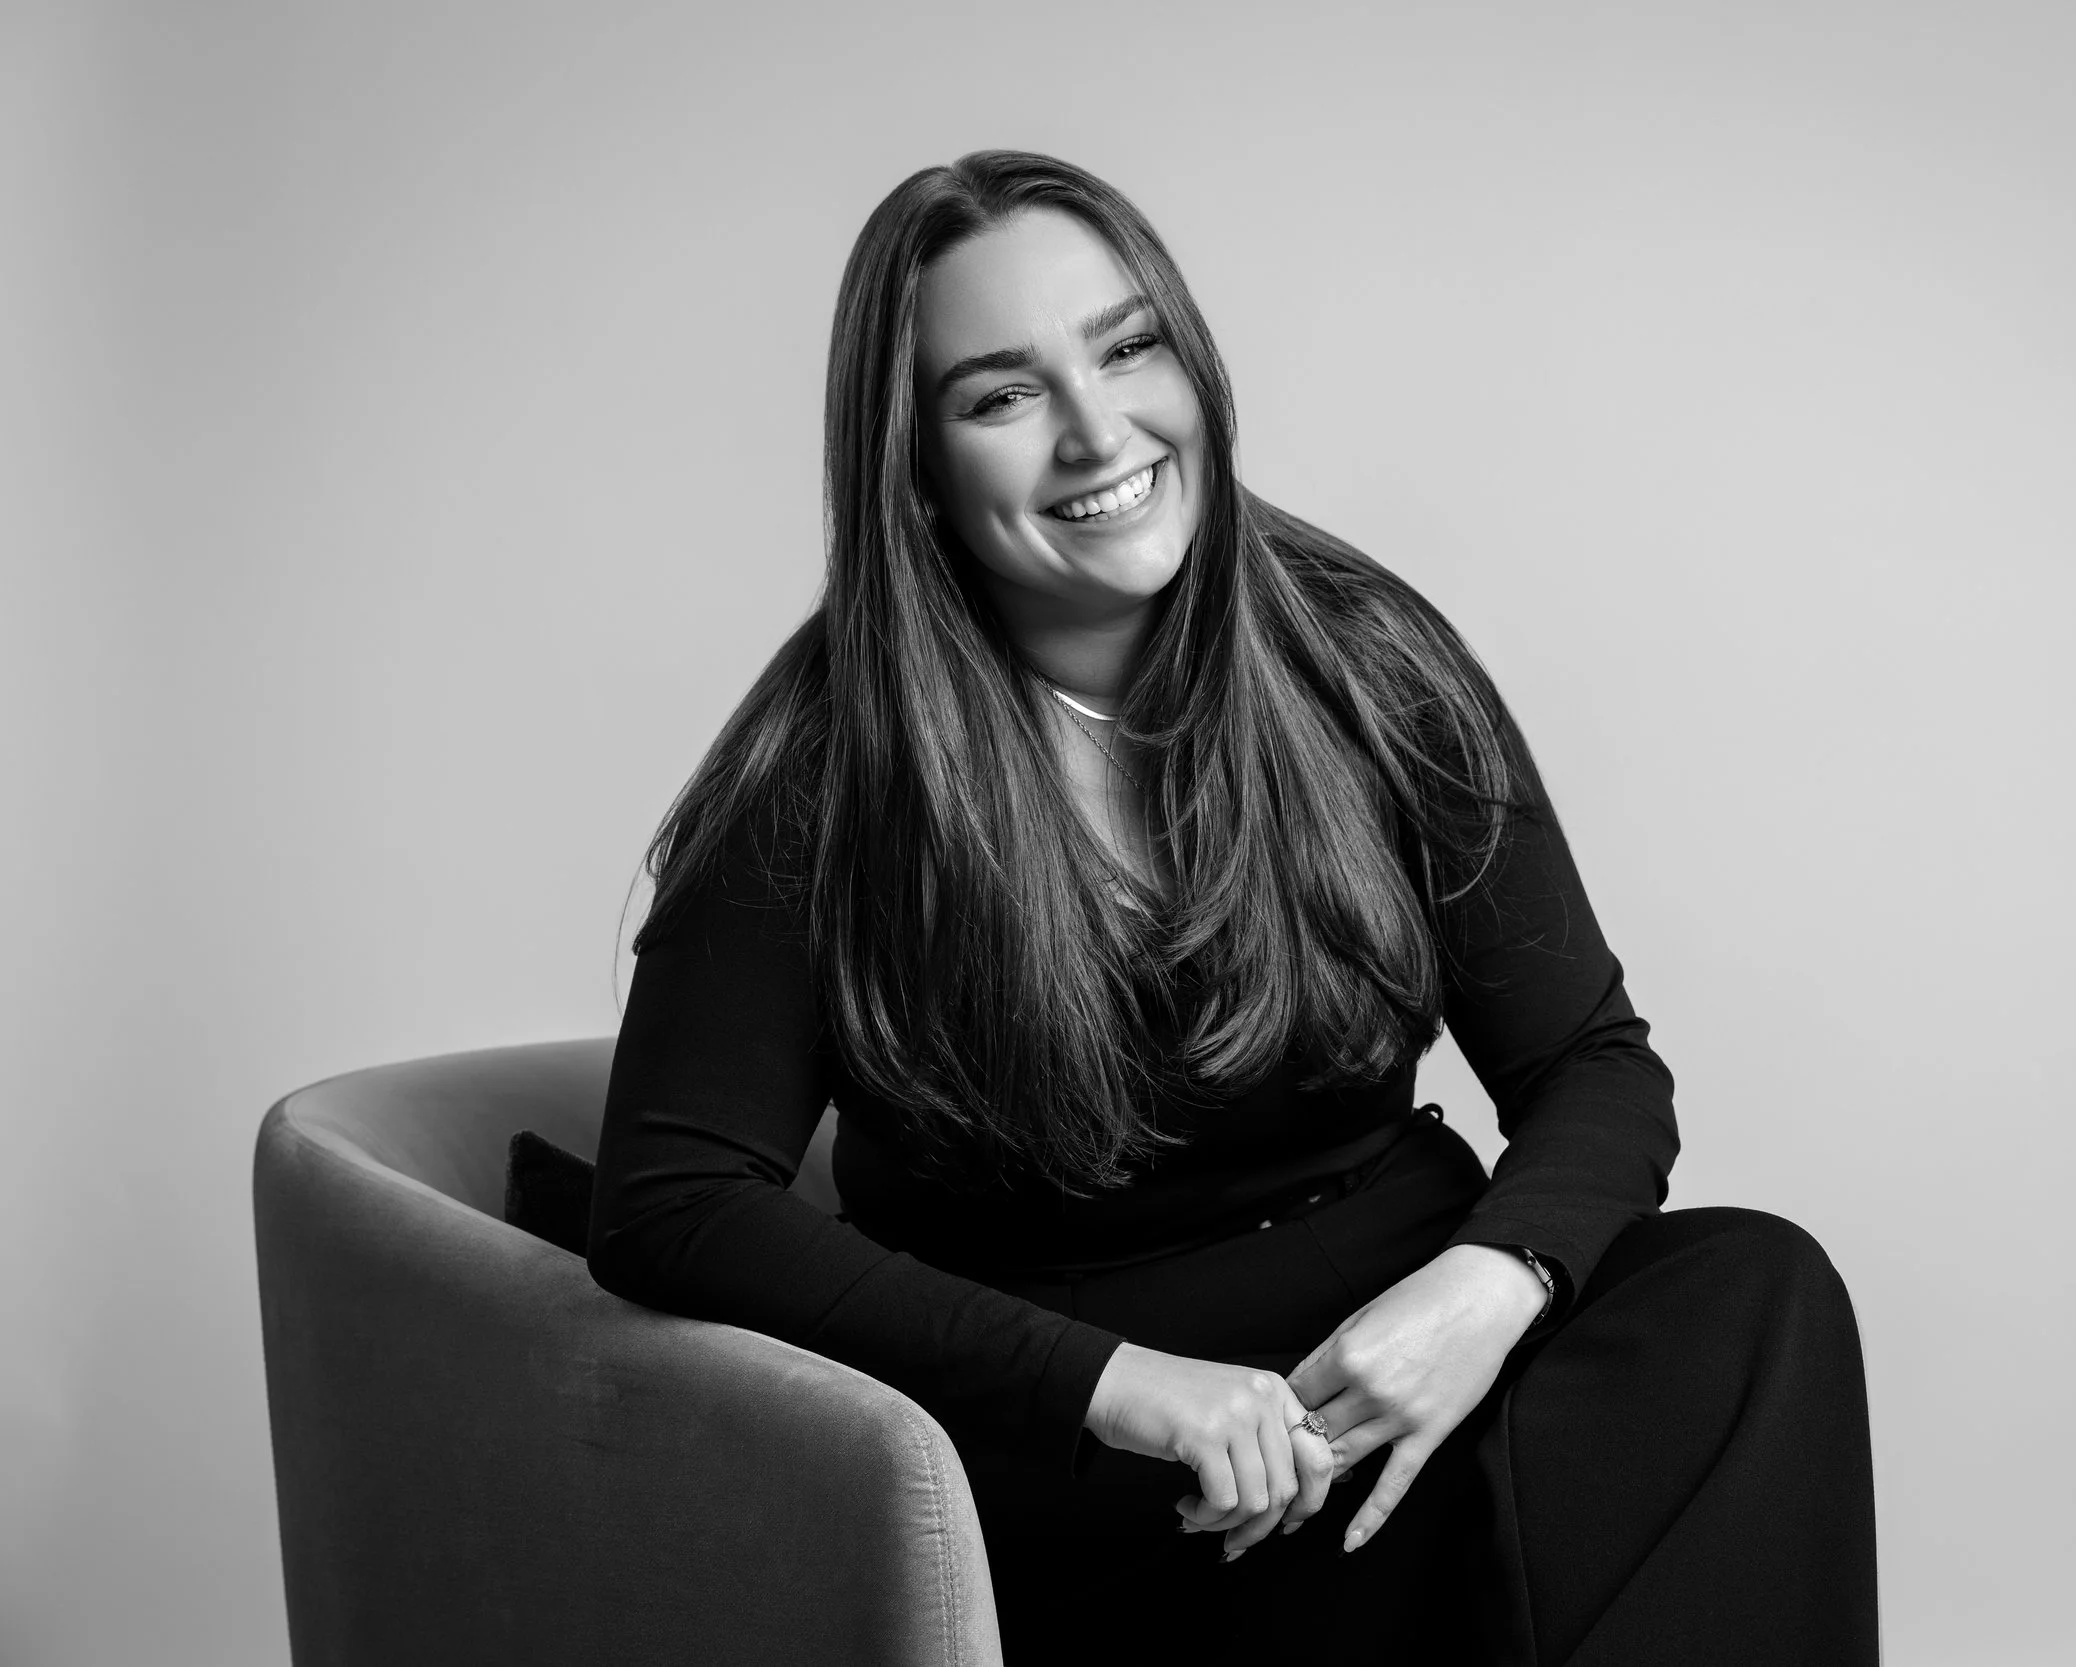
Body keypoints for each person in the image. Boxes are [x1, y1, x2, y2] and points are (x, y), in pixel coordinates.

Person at [587, 149, 1877, 1665]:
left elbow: (1595, 1059)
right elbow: (670, 1205)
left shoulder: (1364, 657)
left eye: (1127, 347)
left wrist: (1481, 1289)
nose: (1096, 428)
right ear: (916, 470)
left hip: (1409, 1365)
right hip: (1113, 1458)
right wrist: (1125, 1385)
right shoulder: (824, 767)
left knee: (1752, 1294)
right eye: (1000, 395)